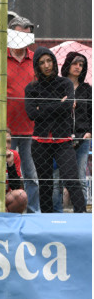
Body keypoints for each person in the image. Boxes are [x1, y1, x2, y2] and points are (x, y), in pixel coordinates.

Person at [0, 16, 40, 213]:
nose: (23, 39)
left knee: (31, 174)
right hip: (4, 131)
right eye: (19, 34)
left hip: (30, 129)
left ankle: (33, 212)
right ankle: (2, 211)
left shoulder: (36, 61)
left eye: (27, 35)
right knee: (2, 172)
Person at [24, 47, 86, 213]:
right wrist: (59, 104)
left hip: (63, 141)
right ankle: (47, 220)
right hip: (40, 142)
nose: (47, 65)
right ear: (37, 65)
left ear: (53, 61)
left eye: (49, 61)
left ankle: (83, 218)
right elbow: (31, 114)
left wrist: (42, 108)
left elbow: (67, 108)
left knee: (72, 180)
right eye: (42, 62)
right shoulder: (31, 88)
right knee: (45, 184)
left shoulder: (65, 83)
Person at [59, 52, 91, 207]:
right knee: (58, 178)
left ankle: (83, 215)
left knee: (80, 178)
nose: (78, 67)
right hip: (61, 138)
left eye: (81, 64)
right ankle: (55, 211)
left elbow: (91, 113)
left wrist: (89, 132)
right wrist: (64, 104)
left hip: (82, 137)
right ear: (68, 64)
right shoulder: (59, 86)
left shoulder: (86, 89)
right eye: (75, 63)